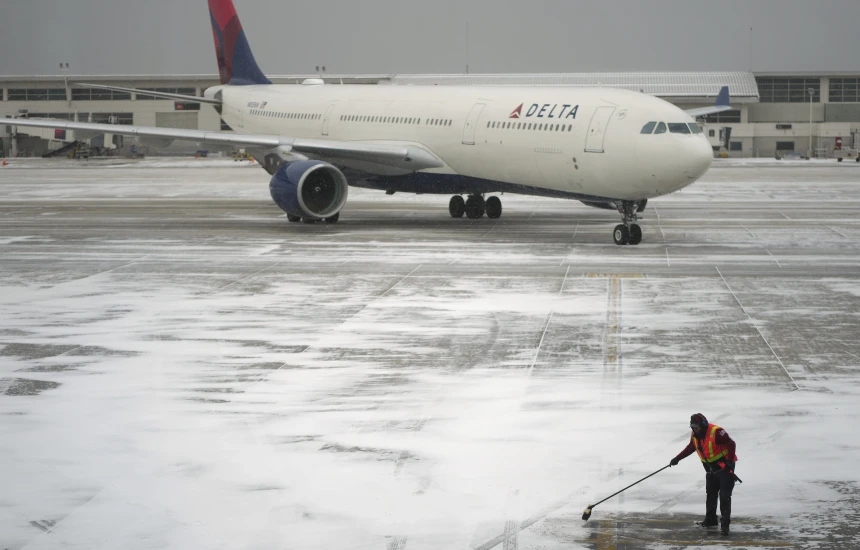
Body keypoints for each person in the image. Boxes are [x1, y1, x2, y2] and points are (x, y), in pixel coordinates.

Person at [670, 413, 738, 535]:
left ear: (704, 424)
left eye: (697, 427)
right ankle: (711, 520)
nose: (695, 429)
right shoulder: (695, 435)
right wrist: (677, 458)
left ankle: (725, 525)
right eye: (693, 427)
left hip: (725, 467)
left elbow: (731, 444)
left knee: (724, 496)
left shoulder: (717, 432)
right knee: (711, 493)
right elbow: (691, 447)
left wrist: (728, 462)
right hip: (710, 468)